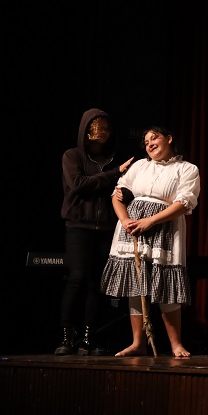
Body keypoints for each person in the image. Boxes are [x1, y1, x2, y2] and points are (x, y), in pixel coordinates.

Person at [100, 126, 200, 358]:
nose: (150, 144)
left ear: (169, 138)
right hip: (133, 227)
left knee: (165, 283)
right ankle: (138, 343)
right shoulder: (140, 166)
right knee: (136, 282)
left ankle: (175, 343)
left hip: (164, 227)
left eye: (154, 138)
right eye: (146, 142)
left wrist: (151, 221)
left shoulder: (186, 168)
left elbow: (184, 203)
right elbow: (118, 195)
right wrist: (125, 220)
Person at [57, 109, 134, 356]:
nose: (101, 132)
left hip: (106, 228)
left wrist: (125, 190)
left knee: (97, 284)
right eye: (96, 127)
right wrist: (114, 174)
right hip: (79, 226)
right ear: (86, 130)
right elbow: (79, 184)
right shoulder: (73, 156)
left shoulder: (115, 158)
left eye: (105, 128)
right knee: (78, 278)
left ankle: (90, 337)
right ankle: (67, 336)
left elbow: (126, 190)